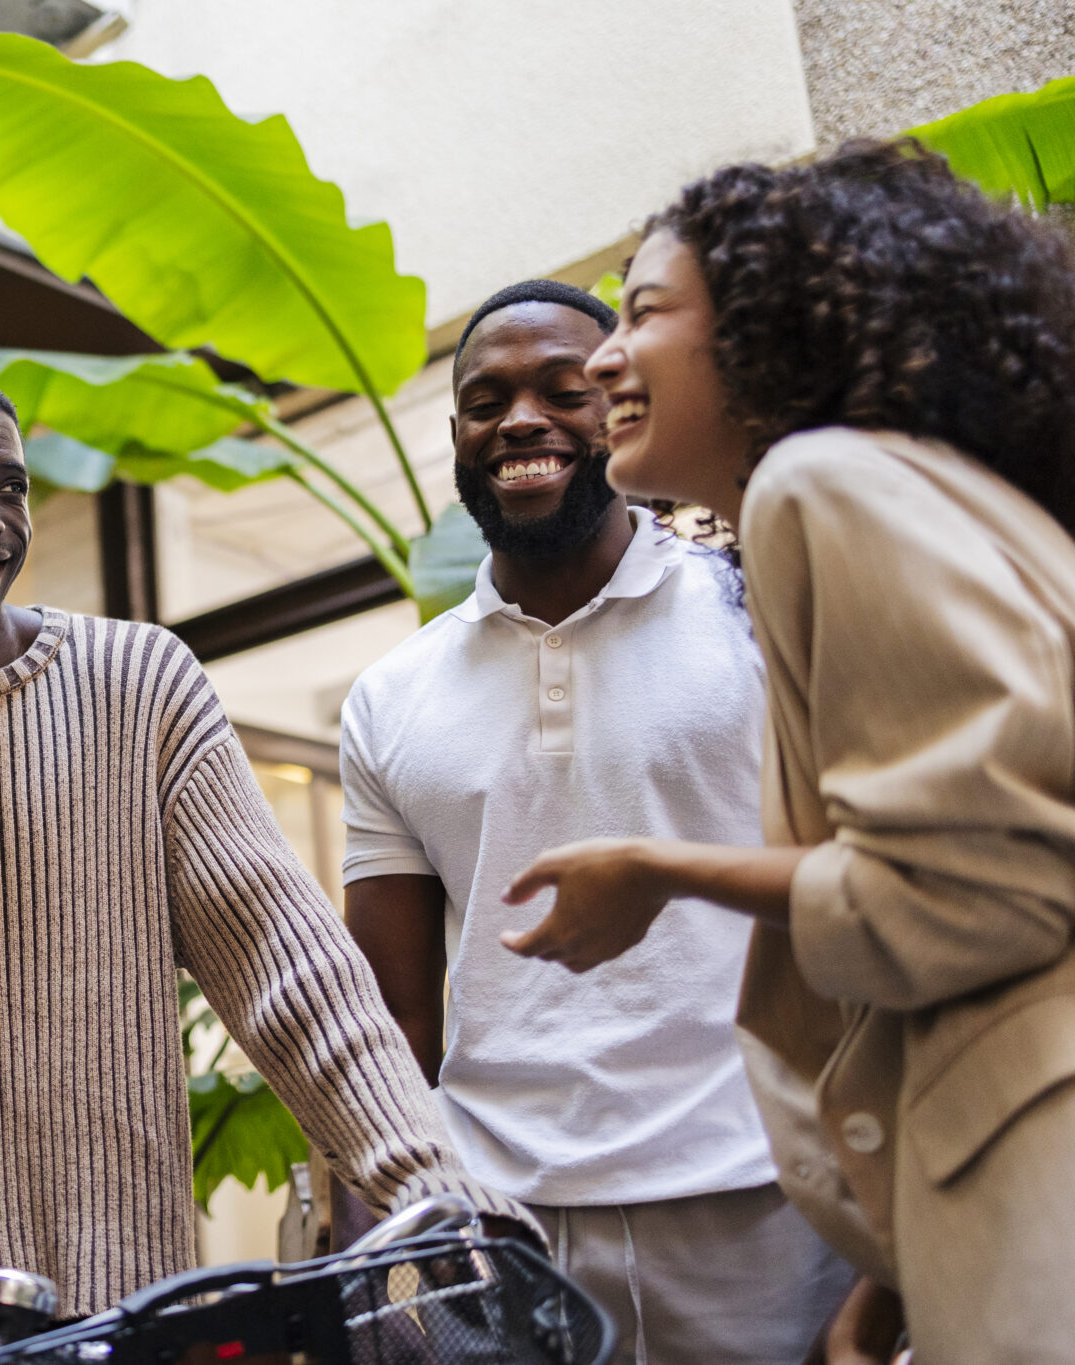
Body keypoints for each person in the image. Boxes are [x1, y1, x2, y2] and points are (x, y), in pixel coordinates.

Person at [0, 368, 537, 1365]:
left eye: (11, 487)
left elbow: (291, 971)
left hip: (128, 1319)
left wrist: (431, 1181)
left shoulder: (139, 688)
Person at [501, 142, 1075, 1364]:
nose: (605, 354)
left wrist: (654, 872)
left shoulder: (820, 485)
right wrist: (900, 1274)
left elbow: (969, 898)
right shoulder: (932, 494)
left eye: (645, 313)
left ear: (772, 324)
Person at [339, 280, 852, 1364]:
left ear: (616, 406)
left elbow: (865, 895)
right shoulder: (390, 696)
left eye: (559, 390)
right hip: (499, 1226)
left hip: (763, 1202)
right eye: (484, 401)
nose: (518, 419)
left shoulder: (757, 612)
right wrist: (378, 1235)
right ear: (455, 439)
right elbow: (390, 1017)